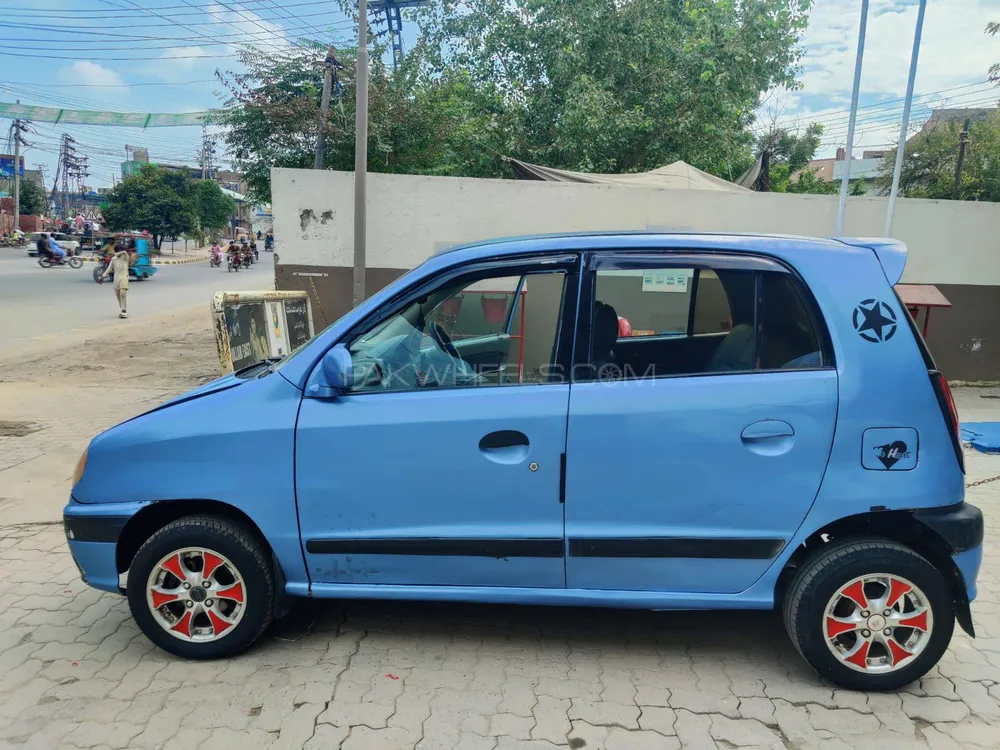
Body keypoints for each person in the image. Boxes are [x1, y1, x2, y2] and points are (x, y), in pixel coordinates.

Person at [101, 244, 131, 319]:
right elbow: (109, 268)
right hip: (116, 278)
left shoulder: (125, 257)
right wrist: (103, 276)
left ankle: (124, 310)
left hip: (124, 277)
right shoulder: (114, 259)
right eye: (116, 250)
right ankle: (122, 309)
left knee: (122, 293)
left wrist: (115, 253)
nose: (118, 251)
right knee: (118, 295)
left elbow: (124, 252)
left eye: (118, 250)